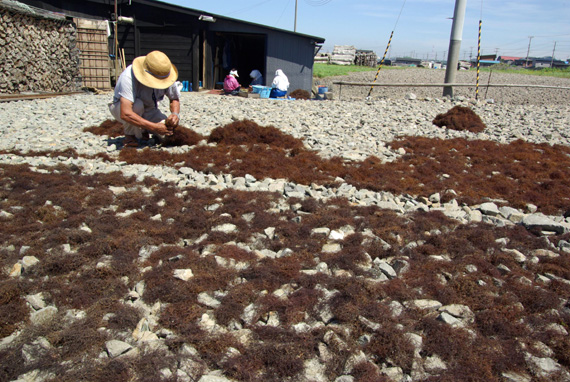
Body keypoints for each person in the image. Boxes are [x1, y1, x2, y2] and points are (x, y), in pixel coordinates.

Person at [109, 50, 180, 148]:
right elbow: (125, 113)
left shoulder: (165, 73)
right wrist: (153, 127)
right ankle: (130, 136)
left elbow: (174, 98)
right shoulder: (128, 76)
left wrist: (174, 114)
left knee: (170, 131)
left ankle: (143, 131)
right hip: (123, 107)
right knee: (137, 105)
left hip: (150, 109)